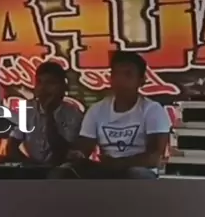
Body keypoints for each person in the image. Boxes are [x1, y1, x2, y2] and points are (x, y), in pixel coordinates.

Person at [58, 51, 171, 179]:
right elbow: (85, 146)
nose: (121, 80)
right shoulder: (97, 110)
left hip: (139, 171)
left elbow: (154, 157)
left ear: (141, 80)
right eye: (116, 74)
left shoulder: (153, 110)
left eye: (128, 74)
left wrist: (119, 164)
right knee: (66, 171)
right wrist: (78, 154)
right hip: (106, 169)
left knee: (135, 173)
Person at [2, 61, 83, 168]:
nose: (43, 88)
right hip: (32, 167)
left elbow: (62, 153)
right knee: (1, 160)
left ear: (63, 88)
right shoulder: (26, 109)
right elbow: (12, 146)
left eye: (50, 83)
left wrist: (49, 115)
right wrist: (30, 166)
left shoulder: (74, 114)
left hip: (61, 169)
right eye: (39, 82)